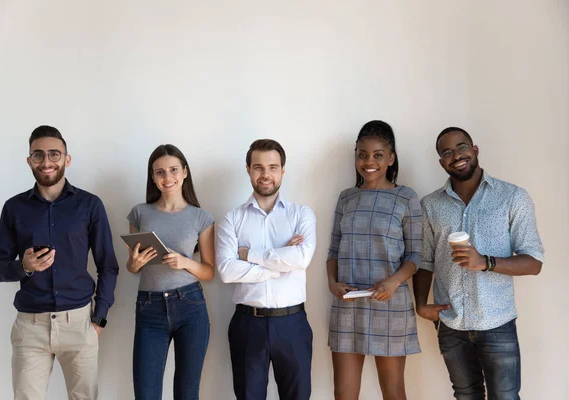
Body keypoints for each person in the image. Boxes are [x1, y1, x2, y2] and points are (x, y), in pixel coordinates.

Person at [414, 127, 544, 400]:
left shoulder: (512, 197)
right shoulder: (431, 205)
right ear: (441, 162)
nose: (456, 155)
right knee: (465, 395)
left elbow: (533, 262)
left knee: (505, 397)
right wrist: (421, 305)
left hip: (497, 322)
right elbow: (424, 261)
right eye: (447, 152)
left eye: (462, 147)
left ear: (475, 150)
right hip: (451, 324)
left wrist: (486, 262)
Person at [0, 125, 119, 400]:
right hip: (30, 327)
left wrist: (100, 318)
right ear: (29, 161)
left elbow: (107, 264)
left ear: (66, 159)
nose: (46, 162)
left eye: (54, 154)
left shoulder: (90, 205)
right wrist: (24, 266)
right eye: (38, 155)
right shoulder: (14, 208)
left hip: (80, 323)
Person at [327, 120, 422, 400]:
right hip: (348, 306)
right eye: (362, 154)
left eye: (378, 155)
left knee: (393, 392)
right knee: (344, 395)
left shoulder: (406, 198)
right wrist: (332, 283)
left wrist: (394, 282)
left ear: (391, 158)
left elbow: (416, 255)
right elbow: (333, 251)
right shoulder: (346, 198)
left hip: (390, 304)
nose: (369, 161)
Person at [216, 139, 316, 400]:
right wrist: (280, 264)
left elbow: (302, 258)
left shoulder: (301, 215)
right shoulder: (231, 219)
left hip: (292, 324)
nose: (266, 174)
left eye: (273, 167)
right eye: (258, 167)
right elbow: (226, 270)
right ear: (248, 169)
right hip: (248, 324)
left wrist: (249, 255)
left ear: (283, 170)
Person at [126, 144, 215, 400]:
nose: (168, 178)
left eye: (173, 170)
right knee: (146, 393)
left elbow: (209, 272)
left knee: (187, 394)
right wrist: (135, 262)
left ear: (185, 172)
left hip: (190, 305)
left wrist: (185, 262)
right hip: (149, 306)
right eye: (160, 172)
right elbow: (132, 269)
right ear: (152, 177)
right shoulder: (140, 213)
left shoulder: (201, 217)